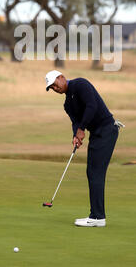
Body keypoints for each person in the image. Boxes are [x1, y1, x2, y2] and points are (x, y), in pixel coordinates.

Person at [45, 70, 121, 227]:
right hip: (97, 134)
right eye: (51, 87)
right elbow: (76, 122)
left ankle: (97, 217)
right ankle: (96, 215)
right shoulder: (67, 105)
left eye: (55, 84)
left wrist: (82, 129)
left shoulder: (80, 84)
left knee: (95, 172)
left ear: (62, 78)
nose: (54, 88)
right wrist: (76, 135)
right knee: (92, 172)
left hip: (107, 130)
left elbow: (91, 106)